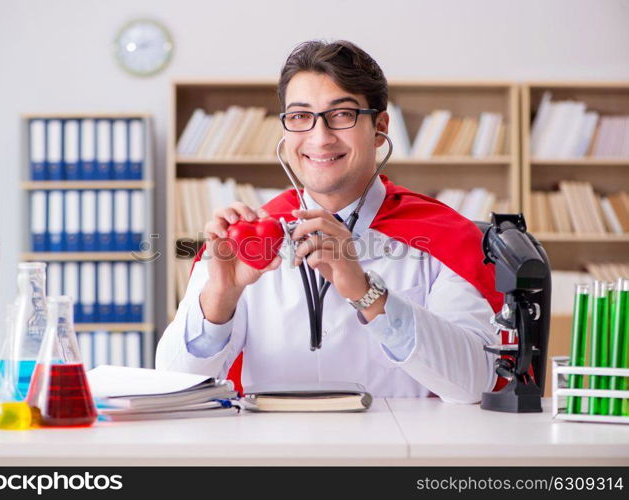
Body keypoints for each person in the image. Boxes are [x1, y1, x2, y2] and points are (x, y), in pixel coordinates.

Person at [156, 40, 504, 403]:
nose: (320, 138)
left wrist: (367, 293)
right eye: (300, 116)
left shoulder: (444, 237)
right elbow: (171, 386)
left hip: (399, 454)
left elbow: (475, 384)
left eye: (341, 115)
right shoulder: (246, 239)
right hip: (274, 455)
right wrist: (219, 298)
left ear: (380, 126)